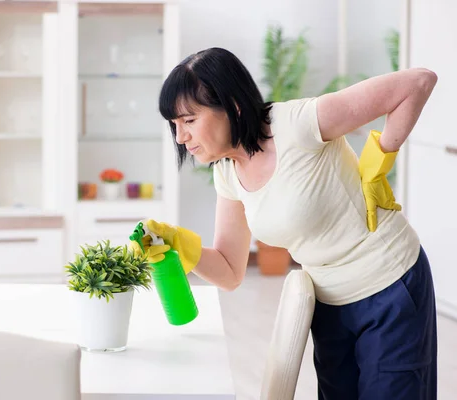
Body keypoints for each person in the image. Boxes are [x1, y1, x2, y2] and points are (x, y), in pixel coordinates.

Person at [131, 47, 438, 399]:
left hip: (389, 284)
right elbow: (230, 271)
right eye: (174, 124)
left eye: (189, 120)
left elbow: (417, 83)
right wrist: (178, 243)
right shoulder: (228, 172)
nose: (181, 137)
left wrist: (380, 158)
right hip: (329, 304)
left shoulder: (297, 124)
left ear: (232, 106)